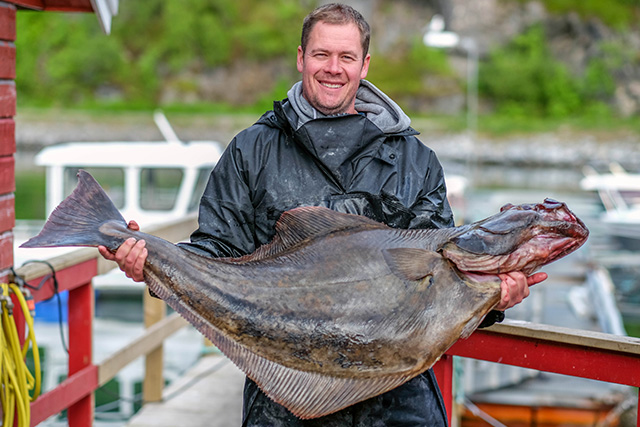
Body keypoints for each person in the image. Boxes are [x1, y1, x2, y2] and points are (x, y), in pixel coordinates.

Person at [99, 3, 547, 426]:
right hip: (283, 396)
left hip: (399, 400)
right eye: (321, 54)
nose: (333, 68)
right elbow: (215, 252)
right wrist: (150, 261)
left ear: (364, 65)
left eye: (346, 57)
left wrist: (493, 297)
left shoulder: (415, 160)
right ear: (301, 58)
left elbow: (444, 281)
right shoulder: (251, 151)